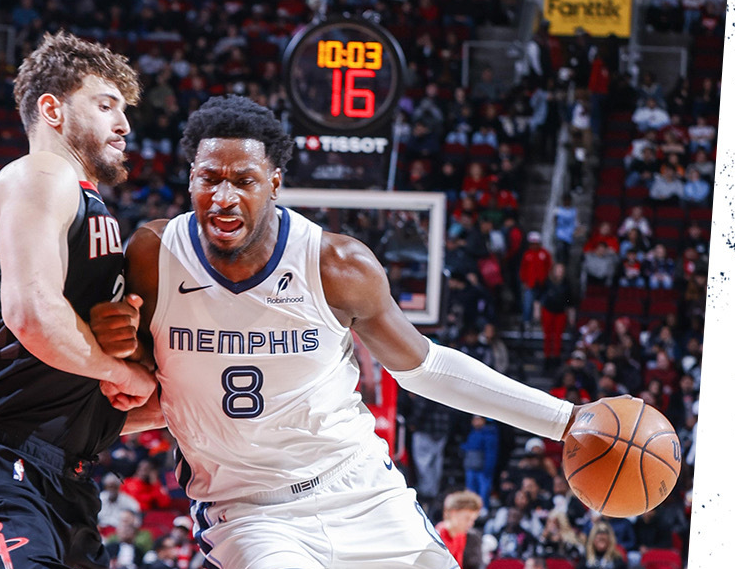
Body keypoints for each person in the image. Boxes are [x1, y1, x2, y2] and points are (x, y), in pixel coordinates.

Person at [90, 95, 612, 569]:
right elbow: (134, 388)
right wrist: (115, 353)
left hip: (361, 489)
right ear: (190, 180)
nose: (223, 196)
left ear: (274, 182)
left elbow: (425, 367)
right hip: (248, 511)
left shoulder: (337, 265)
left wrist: (565, 419)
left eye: (244, 181)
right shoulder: (154, 257)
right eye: (209, 179)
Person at [0, 31, 156, 569]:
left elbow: (57, 382)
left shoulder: (85, 204)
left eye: (124, 110)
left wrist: (132, 374)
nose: (124, 124)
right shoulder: (42, 173)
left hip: (65, 474)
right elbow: (31, 316)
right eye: (106, 105)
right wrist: (123, 372)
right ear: (53, 110)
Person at [435, 490, 483, 569]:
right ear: (453, 513)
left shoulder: (460, 536)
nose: (471, 524)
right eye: (467, 518)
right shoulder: (437, 536)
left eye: (473, 520)